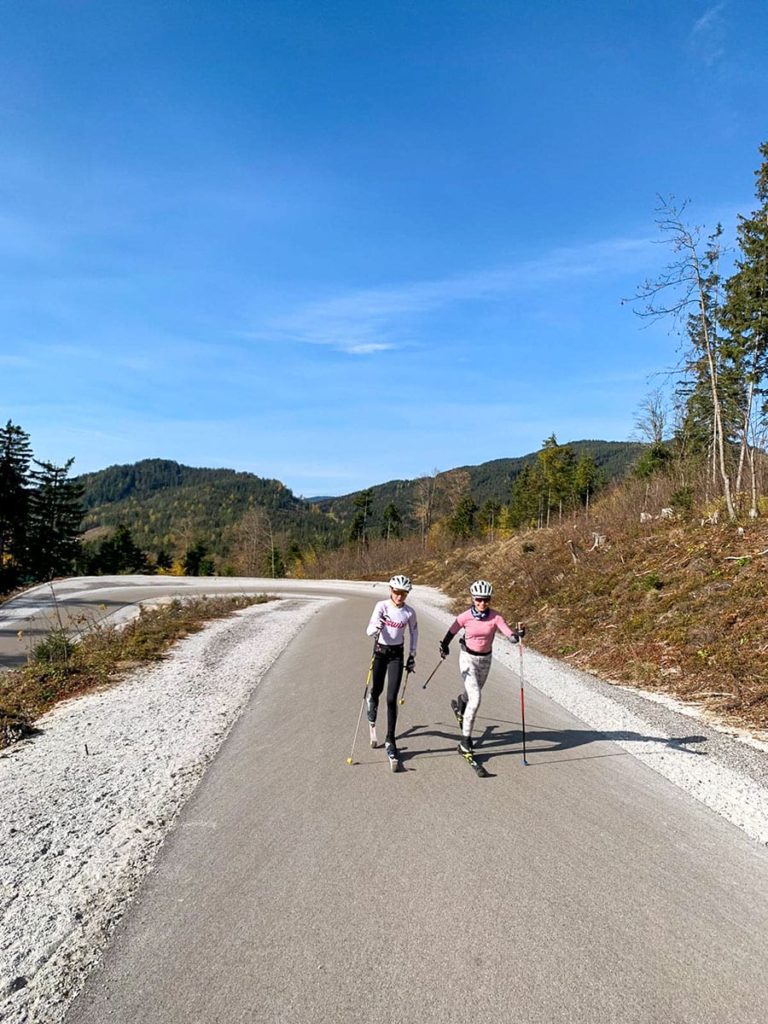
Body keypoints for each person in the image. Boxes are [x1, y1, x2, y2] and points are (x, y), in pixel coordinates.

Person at [439, 579, 524, 758]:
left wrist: (517, 636)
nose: (482, 603)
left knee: (471, 695)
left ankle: (461, 703)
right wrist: (444, 646)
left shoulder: (496, 617)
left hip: (485, 660)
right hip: (467, 658)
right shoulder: (465, 616)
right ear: (473, 599)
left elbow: (509, 634)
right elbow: (452, 631)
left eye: (486, 600)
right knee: (476, 698)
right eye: (479, 599)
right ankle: (465, 741)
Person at [365, 574, 418, 770]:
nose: (399, 596)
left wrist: (412, 655)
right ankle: (372, 702)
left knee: (391, 698)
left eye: (404, 593)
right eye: (396, 592)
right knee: (377, 691)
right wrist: (377, 626)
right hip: (380, 652)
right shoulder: (382, 606)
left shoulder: (409, 613)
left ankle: (390, 740)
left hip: (397, 655)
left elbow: (414, 632)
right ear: (390, 590)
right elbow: (369, 630)